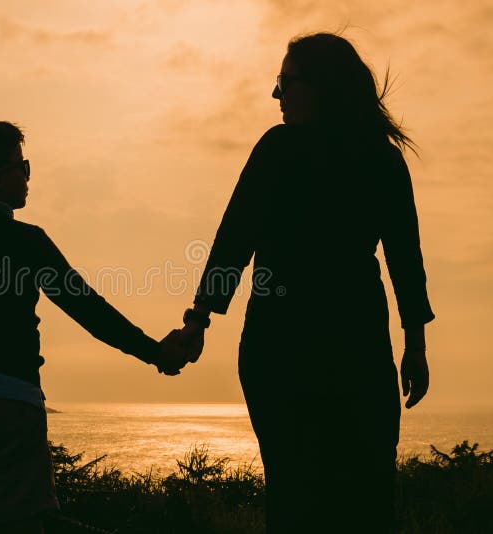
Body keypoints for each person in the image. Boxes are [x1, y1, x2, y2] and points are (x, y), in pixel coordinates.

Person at [176, 32, 435, 533]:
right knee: (361, 494)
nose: (277, 94)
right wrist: (416, 345)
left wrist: (199, 318)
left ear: (320, 87)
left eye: (285, 81)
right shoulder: (377, 157)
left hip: (290, 345)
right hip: (339, 345)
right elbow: (406, 260)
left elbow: (235, 238)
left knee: (301, 493)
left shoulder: (288, 149)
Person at [0, 120, 188, 533]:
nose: (28, 176)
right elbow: (88, 310)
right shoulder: (28, 241)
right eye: (22, 166)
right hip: (13, 404)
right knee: (25, 523)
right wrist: (155, 352)